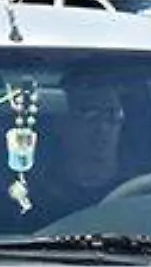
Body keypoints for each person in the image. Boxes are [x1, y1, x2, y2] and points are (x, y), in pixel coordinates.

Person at [26, 78, 130, 223]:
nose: (103, 128)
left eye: (113, 115)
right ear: (60, 124)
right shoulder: (33, 199)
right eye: (89, 115)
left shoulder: (145, 191)